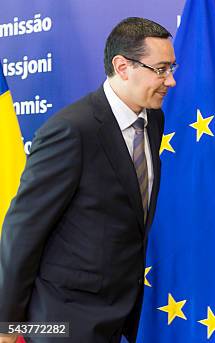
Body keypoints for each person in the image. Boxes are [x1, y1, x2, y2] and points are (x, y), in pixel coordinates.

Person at [0, 17, 176, 343]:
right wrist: (7, 324)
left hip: (118, 313)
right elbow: (22, 228)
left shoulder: (153, 120)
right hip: (64, 318)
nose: (171, 81)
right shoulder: (72, 130)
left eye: (172, 68)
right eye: (161, 69)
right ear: (122, 66)